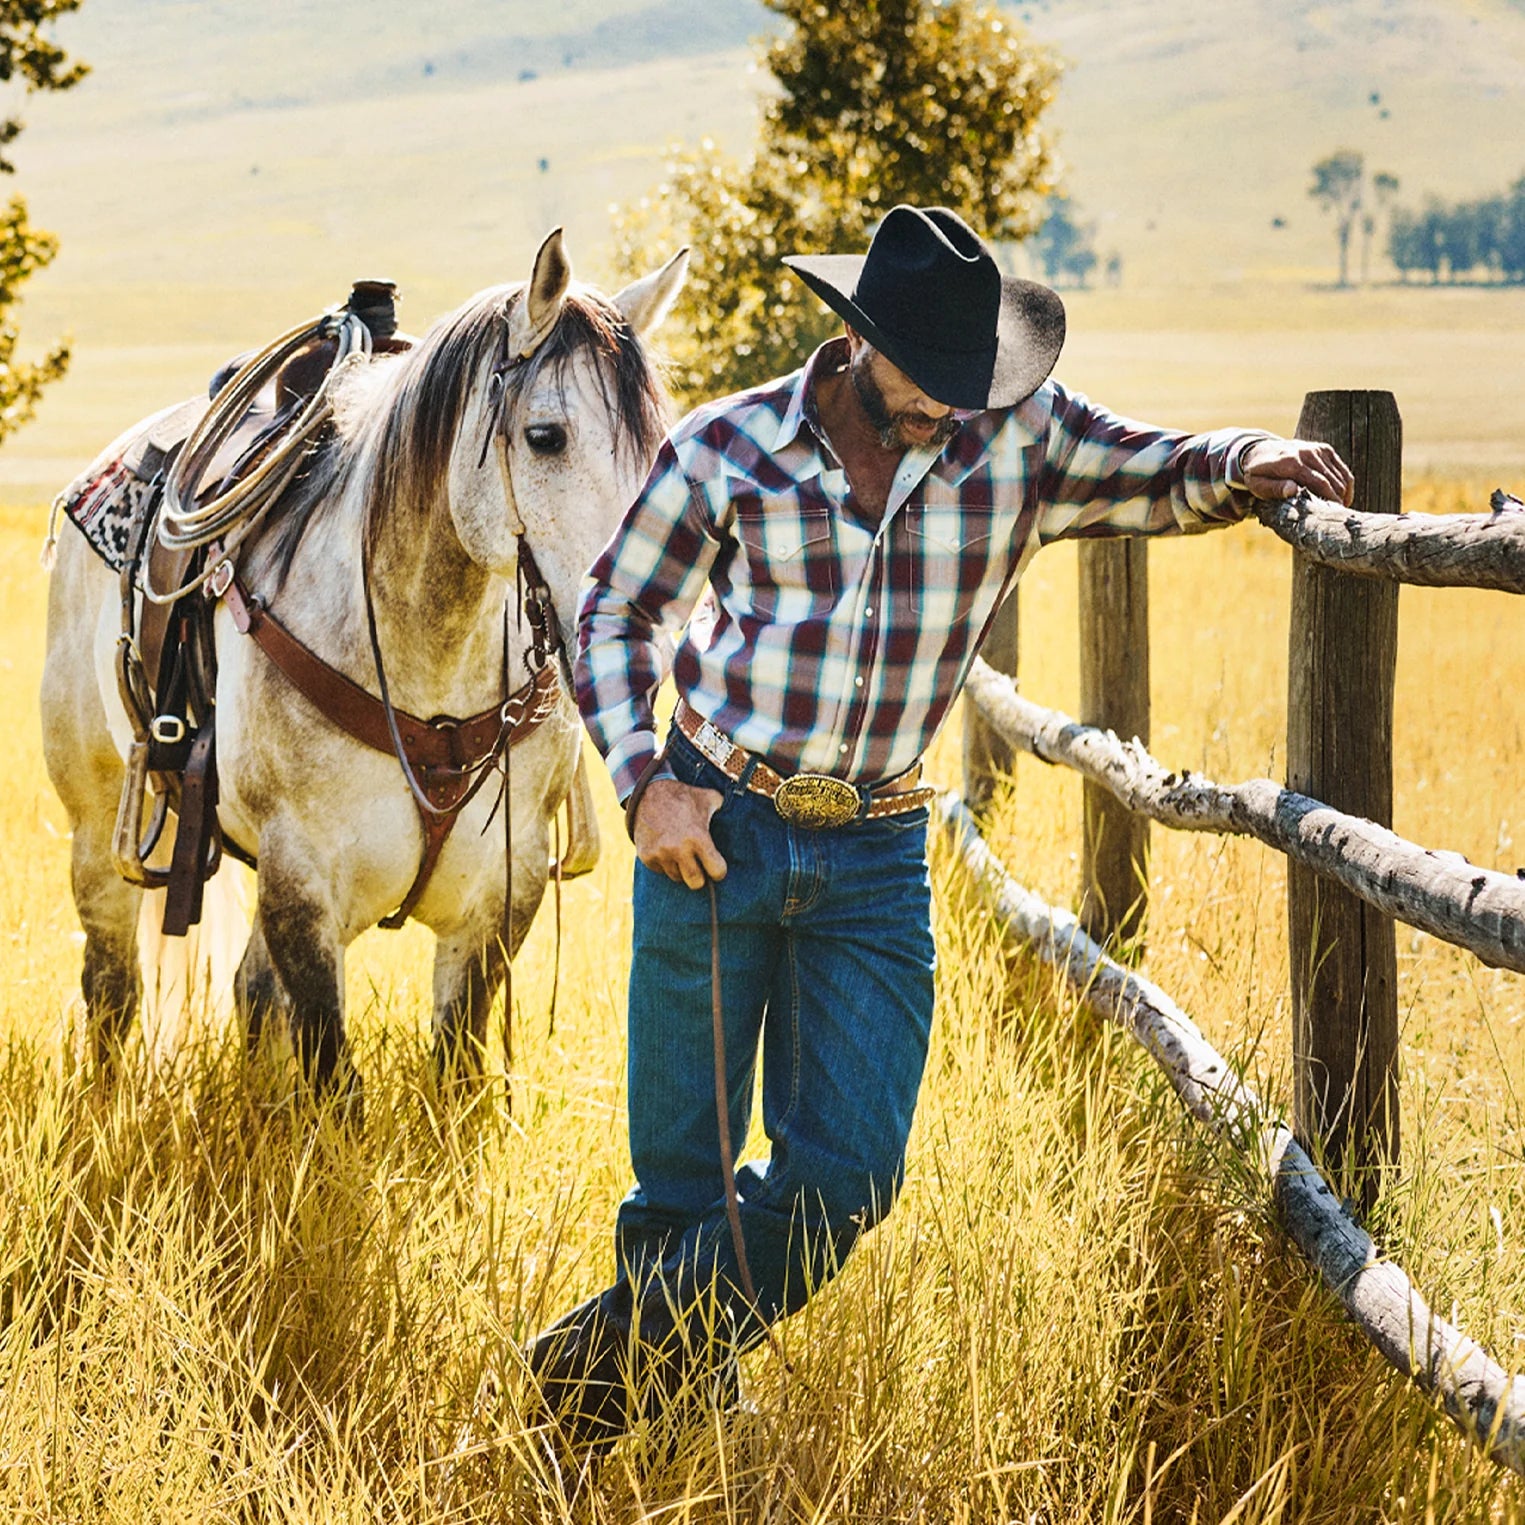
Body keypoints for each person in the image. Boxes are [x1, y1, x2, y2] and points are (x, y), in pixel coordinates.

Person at [534, 204, 1354, 1456]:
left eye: (976, 384)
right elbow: (614, 612)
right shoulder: (729, 446)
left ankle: (582, 1383)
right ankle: (655, 1449)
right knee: (681, 1180)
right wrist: (643, 776)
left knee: (849, 1176)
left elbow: (1157, 466)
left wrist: (1251, 456)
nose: (953, 411)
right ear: (862, 343)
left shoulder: (1017, 437)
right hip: (714, 827)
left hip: (873, 852)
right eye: (932, 386)